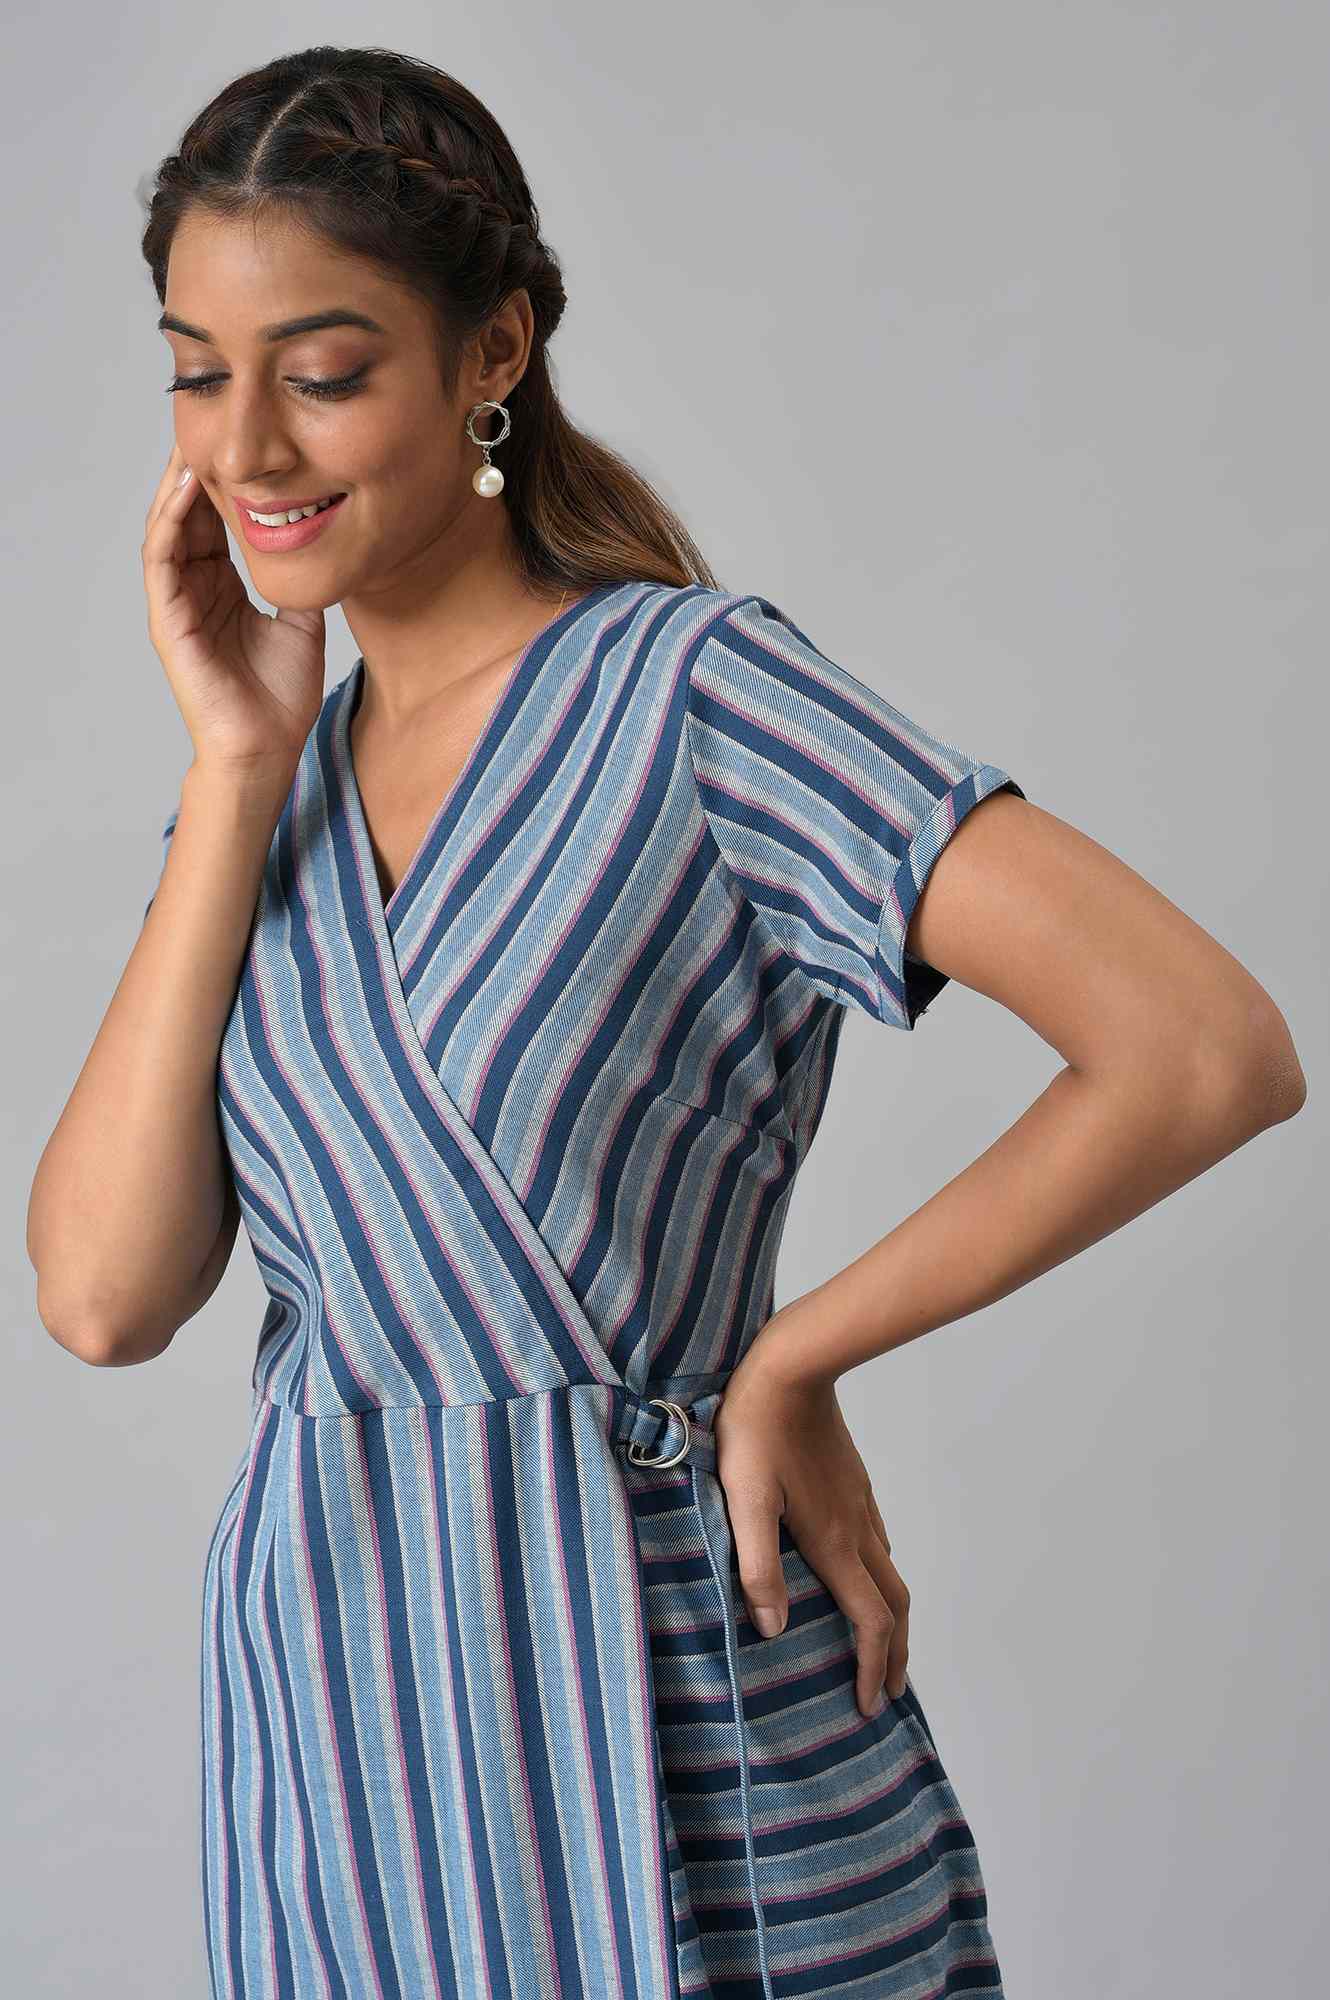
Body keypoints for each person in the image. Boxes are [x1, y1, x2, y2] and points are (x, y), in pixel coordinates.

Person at [27, 43, 1305, 2000]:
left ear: (491, 352)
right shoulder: (262, 804)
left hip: (668, 1700)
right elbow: (106, 1296)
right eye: (199, 372)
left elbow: (1201, 1046)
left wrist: (791, 1355)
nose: (248, 449)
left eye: (325, 370)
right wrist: (233, 762)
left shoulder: (691, 697)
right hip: (350, 1740)